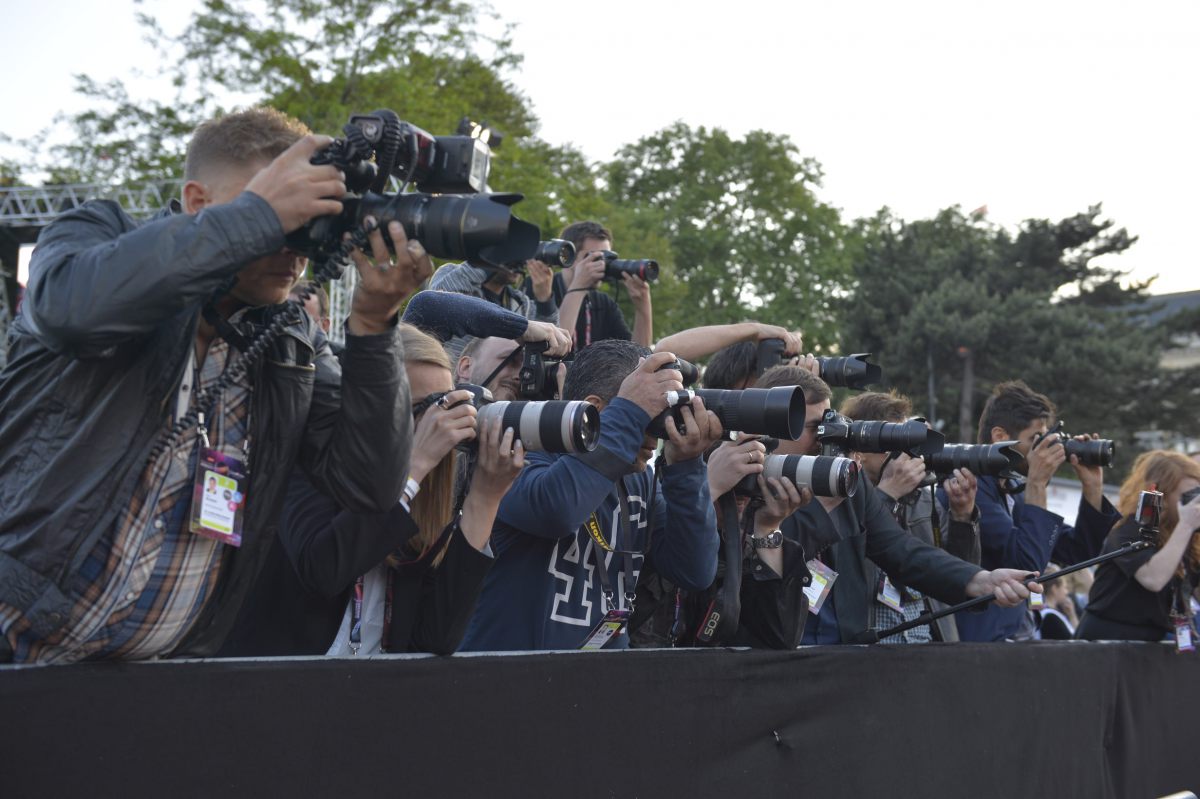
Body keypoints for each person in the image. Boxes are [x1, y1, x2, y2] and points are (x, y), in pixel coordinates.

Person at [0, 107, 427, 664]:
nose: (294, 248)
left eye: (308, 220)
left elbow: (368, 484)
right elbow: (70, 310)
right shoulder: (97, 235)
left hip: (154, 679)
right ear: (200, 203)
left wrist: (374, 328)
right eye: (282, 217)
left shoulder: (288, 332)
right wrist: (257, 217)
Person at [218, 324, 525, 656]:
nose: (438, 425)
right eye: (421, 407)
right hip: (275, 688)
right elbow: (322, 568)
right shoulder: (307, 464)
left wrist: (485, 497)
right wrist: (412, 466)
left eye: (445, 406)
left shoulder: (426, 490)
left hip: (368, 697)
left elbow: (435, 637)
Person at [460, 341, 721, 651]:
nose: (656, 432)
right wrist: (629, 415)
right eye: (649, 414)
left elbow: (694, 570)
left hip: (599, 683)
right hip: (507, 680)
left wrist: (687, 468)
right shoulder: (515, 456)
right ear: (595, 408)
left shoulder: (639, 478)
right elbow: (556, 509)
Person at [752, 366, 1041, 645]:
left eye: (829, 423)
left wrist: (980, 580)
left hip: (843, 654)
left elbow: (901, 550)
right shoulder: (744, 482)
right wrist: (825, 508)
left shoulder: (847, 482)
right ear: (774, 424)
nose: (825, 436)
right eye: (814, 427)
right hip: (770, 657)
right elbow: (761, 566)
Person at [953, 380, 1120, 642]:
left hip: (1022, 635)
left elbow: (1080, 550)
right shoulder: (970, 488)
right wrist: (1037, 483)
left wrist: (1092, 487)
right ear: (1000, 437)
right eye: (1035, 439)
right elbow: (1027, 565)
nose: (1043, 448)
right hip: (982, 642)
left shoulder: (1015, 490)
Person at [631, 434, 815, 649]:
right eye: (734, 474)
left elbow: (782, 636)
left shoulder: (739, 542)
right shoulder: (653, 515)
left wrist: (768, 529)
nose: (741, 489)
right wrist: (703, 491)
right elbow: (637, 622)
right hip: (648, 673)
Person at [840, 390, 981, 643]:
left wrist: (962, 516)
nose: (903, 455)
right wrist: (886, 495)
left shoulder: (922, 499)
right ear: (858, 450)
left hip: (924, 643)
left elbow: (953, 575)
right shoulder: (839, 499)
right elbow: (851, 568)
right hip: (869, 648)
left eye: (905, 442)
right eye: (891, 444)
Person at [1076, 451, 1200, 642]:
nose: (1195, 503)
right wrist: (1186, 525)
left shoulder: (1187, 536)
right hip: (1108, 639)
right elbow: (1153, 579)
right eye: (1188, 496)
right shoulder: (1130, 527)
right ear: (1162, 496)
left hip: (1153, 642)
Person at [428, 248, 559, 360]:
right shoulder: (451, 274)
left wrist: (545, 299)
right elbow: (440, 298)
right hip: (455, 382)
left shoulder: (520, 303)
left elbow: (548, 342)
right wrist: (490, 259)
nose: (518, 258)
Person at [540, 221, 653, 349]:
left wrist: (643, 306)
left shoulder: (603, 303)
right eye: (594, 257)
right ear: (568, 256)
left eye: (607, 258)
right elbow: (553, 346)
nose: (602, 265)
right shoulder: (541, 287)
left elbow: (639, 357)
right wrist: (579, 286)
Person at [1032, 563, 1077, 640]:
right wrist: (1073, 616)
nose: (1067, 592)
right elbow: (1077, 640)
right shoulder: (1050, 617)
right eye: (1065, 587)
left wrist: (1071, 615)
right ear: (1054, 588)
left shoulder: (1045, 613)